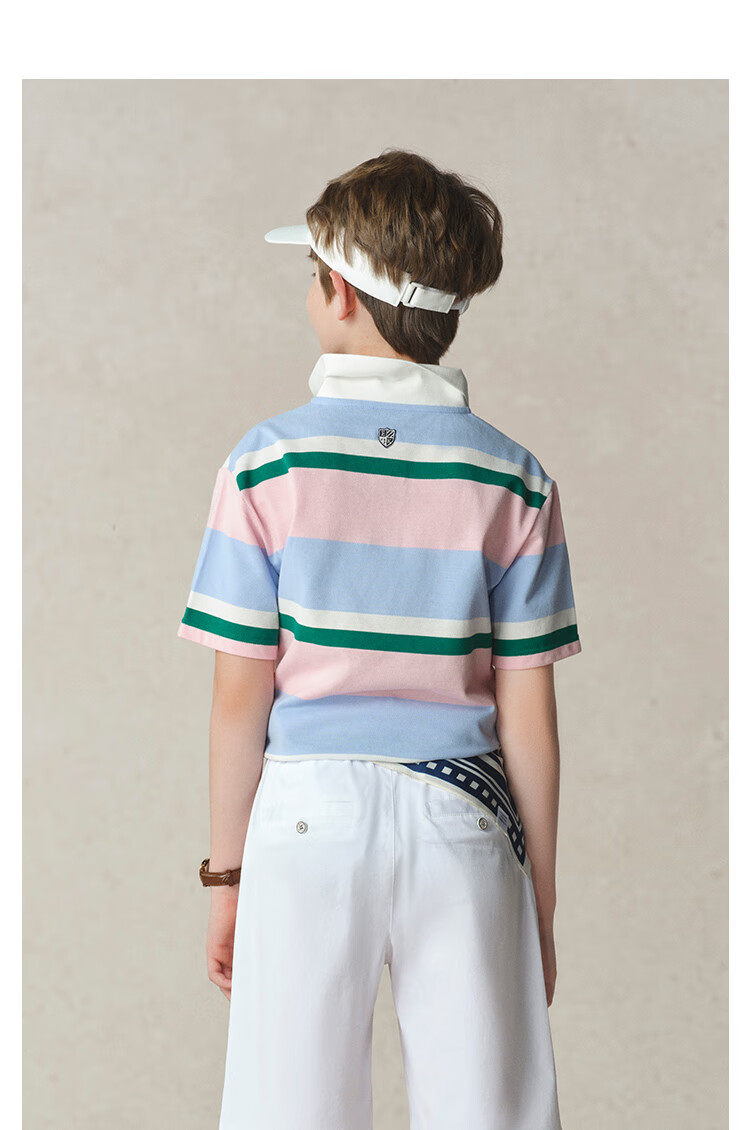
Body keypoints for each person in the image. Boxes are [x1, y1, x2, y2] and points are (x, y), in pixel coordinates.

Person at [178, 148, 582, 1130]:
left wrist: (227, 878)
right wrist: (538, 899)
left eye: (312, 276)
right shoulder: (516, 479)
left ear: (342, 295)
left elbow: (240, 698)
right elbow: (529, 713)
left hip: (306, 818)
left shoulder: (266, 461)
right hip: (465, 815)